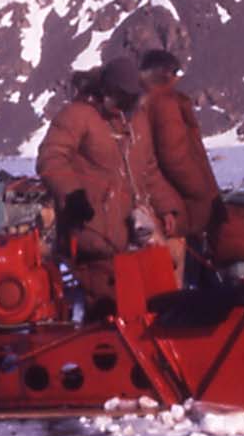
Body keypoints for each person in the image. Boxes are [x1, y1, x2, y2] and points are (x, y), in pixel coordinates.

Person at [37, 57, 184, 316]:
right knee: (109, 308)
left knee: (154, 302)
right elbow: (51, 157)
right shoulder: (78, 115)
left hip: (138, 231)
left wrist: (167, 208)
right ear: (107, 91)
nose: (125, 106)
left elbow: (148, 170)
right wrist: (73, 195)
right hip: (95, 230)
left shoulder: (136, 120)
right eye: (122, 98)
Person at [139, 49, 221, 282]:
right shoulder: (165, 104)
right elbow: (174, 156)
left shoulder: (142, 102)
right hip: (177, 199)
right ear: (166, 74)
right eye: (176, 73)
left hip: (158, 196)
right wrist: (200, 192)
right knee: (180, 262)